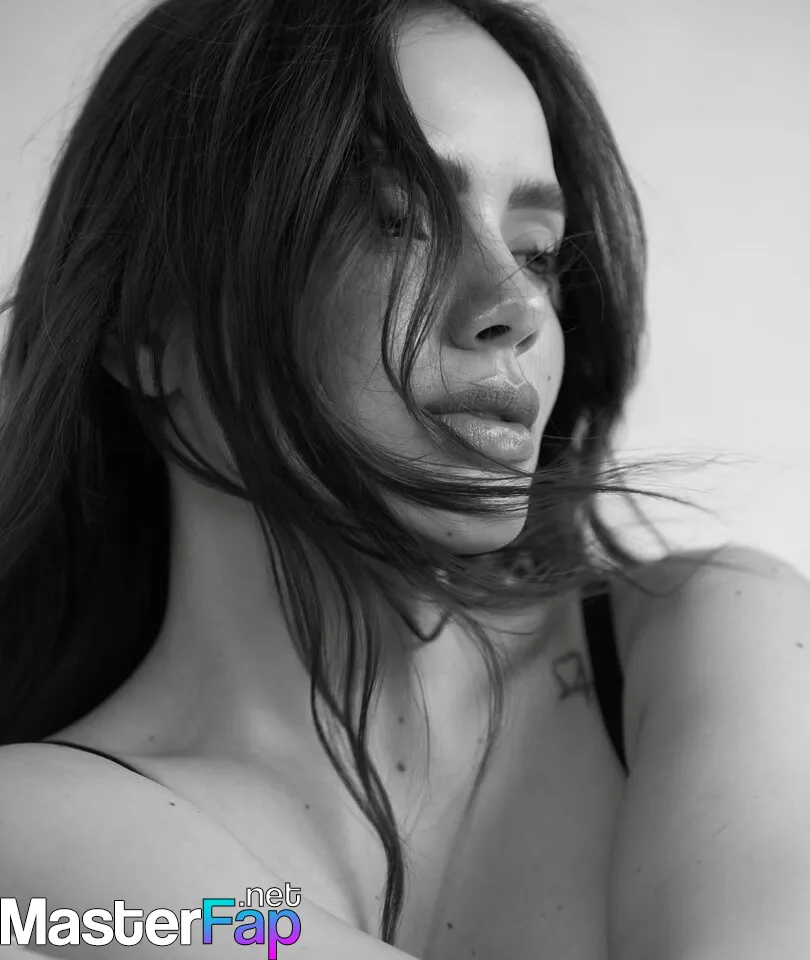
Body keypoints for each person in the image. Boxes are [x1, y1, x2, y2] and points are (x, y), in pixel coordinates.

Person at [0, 1, 808, 958]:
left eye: (537, 251)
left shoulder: (713, 635)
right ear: (148, 328)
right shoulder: (30, 841)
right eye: (395, 220)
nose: (517, 307)